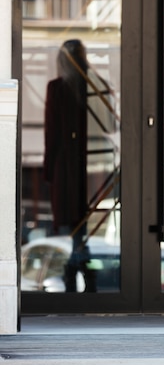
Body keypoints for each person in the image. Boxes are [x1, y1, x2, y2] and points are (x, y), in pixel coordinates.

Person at [44, 39, 117, 292]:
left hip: (70, 168)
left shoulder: (59, 88)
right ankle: (84, 274)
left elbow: (51, 134)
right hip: (96, 166)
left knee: (78, 223)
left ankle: (76, 276)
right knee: (81, 226)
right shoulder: (97, 86)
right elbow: (111, 125)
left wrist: (49, 170)